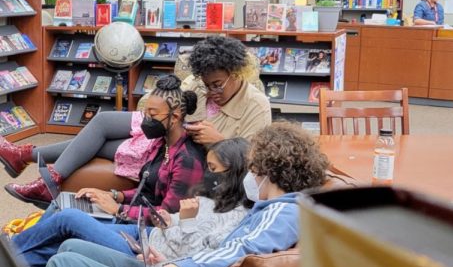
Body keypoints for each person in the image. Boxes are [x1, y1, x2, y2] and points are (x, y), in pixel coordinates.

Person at [39, 121, 329, 267]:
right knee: (71, 246)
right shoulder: (274, 208)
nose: (249, 178)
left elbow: (242, 248)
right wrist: (172, 262)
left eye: (253, 170)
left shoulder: (282, 212)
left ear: (269, 171)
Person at [1, 35, 272, 206]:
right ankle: (30, 162)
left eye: (218, 85)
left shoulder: (256, 105)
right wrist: (162, 108)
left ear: (238, 74)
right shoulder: (198, 86)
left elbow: (256, 161)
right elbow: (170, 99)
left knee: (105, 143)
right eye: (206, 84)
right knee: (104, 122)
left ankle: (30, 160)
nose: (211, 92)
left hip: (190, 157)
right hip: (166, 136)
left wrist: (220, 141)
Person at [9, 75, 207, 267]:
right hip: (132, 217)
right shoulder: (161, 143)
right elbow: (144, 191)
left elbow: (166, 217)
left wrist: (118, 209)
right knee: (61, 204)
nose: (146, 120)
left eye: (153, 116)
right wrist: (114, 195)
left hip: (146, 234)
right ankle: (16, 265)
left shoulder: (187, 160)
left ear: (175, 117)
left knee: (67, 219)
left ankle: (10, 255)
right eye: (146, 113)